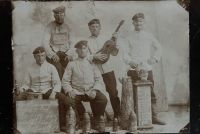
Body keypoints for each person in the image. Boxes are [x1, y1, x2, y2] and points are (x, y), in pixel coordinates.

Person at [123, 13, 166, 125]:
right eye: (136, 21)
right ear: (133, 23)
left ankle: (154, 117)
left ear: (144, 23)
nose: (139, 23)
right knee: (132, 94)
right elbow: (125, 53)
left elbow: (159, 48)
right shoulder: (128, 37)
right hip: (133, 69)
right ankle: (134, 118)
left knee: (150, 93)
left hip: (146, 68)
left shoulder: (149, 36)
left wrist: (155, 58)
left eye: (141, 21)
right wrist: (130, 61)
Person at [58, 40, 107, 132]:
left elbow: (99, 79)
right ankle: (78, 121)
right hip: (77, 91)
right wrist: (69, 90)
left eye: (84, 48)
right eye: (80, 49)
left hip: (90, 91)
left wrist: (95, 90)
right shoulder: (71, 64)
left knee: (103, 99)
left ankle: (96, 121)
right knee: (68, 101)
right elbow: (65, 81)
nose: (82, 51)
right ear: (76, 51)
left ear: (87, 50)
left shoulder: (92, 64)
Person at [86, 19, 121, 120]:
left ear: (100, 27)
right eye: (92, 27)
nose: (95, 29)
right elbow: (85, 57)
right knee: (95, 93)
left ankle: (117, 115)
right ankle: (98, 116)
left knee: (113, 92)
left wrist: (115, 40)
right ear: (89, 28)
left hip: (108, 69)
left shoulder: (106, 39)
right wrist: (94, 56)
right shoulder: (87, 41)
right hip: (94, 70)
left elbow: (114, 53)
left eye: (97, 26)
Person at [42, 6, 74, 80]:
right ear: (54, 15)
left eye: (61, 14)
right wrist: (52, 55)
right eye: (57, 15)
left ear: (64, 15)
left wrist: (69, 54)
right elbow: (44, 43)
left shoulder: (69, 26)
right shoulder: (49, 26)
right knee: (58, 68)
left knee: (71, 66)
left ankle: (69, 87)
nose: (59, 17)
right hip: (54, 53)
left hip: (65, 53)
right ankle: (60, 88)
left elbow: (73, 42)